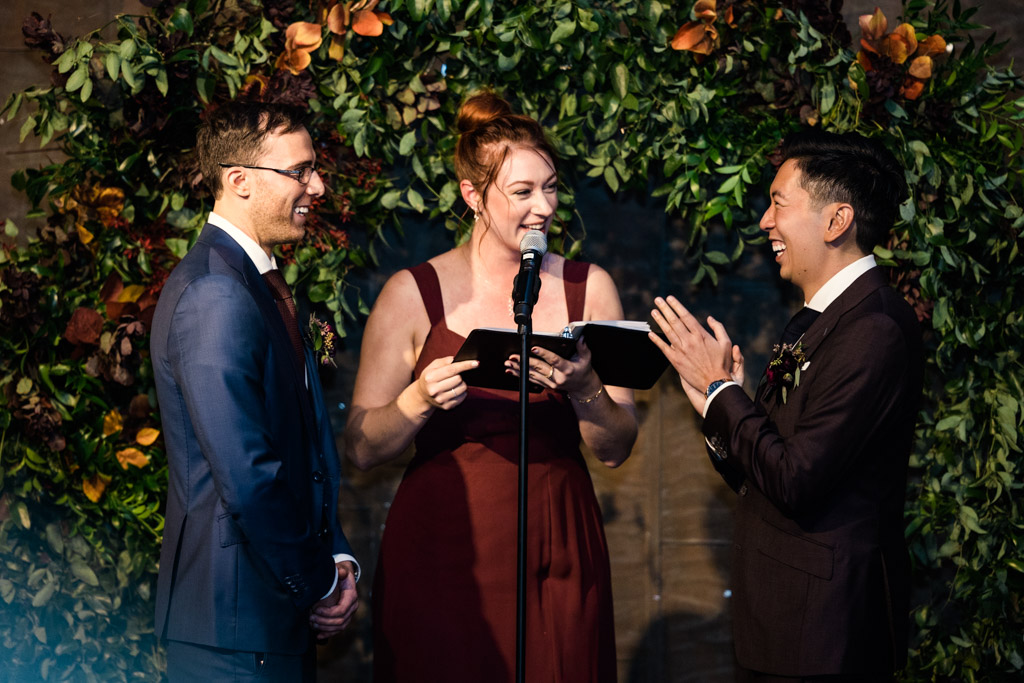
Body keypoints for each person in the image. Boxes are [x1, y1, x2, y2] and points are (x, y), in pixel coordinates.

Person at [345, 91, 638, 683]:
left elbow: (616, 446)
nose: (544, 207)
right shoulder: (412, 293)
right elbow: (360, 447)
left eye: (550, 188)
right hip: (444, 542)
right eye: (522, 192)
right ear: (473, 195)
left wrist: (585, 388)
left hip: (557, 540)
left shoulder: (590, 288)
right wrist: (417, 400)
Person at [649, 130, 923, 682]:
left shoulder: (873, 329)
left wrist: (720, 391)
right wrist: (716, 404)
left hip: (824, 634)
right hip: (786, 625)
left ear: (836, 221)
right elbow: (767, 473)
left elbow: (796, 478)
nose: (764, 222)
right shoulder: (825, 320)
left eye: (779, 203)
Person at [150, 101, 359, 682]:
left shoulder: (258, 281)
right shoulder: (214, 292)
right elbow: (247, 473)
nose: (317, 186)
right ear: (239, 180)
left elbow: (305, 449)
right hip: (236, 628)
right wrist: (317, 581)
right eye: (300, 171)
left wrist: (336, 557)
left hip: (264, 622)